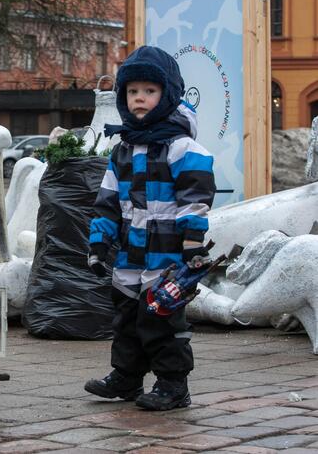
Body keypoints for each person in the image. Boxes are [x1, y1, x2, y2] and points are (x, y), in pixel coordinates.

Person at [84, 46, 216, 411]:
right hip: (129, 255)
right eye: (132, 92)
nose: (140, 98)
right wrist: (98, 244)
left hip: (166, 256)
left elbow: (196, 196)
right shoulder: (122, 151)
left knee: (162, 321)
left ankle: (173, 385)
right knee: (126, 320)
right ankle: (126, 376)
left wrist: (192, 242)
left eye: (150, 91)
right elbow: (108, 202)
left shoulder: (183, 148)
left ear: (168, 95)